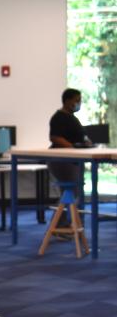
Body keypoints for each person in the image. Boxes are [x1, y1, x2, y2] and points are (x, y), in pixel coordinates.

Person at [48, 88, 90, 228]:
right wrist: (73, 148)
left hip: (72, 159)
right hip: (62, 160)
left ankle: (71, 224)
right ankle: (60, 225)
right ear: (67, 100)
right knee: (71, 193)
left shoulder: (73, 118)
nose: (79, 103)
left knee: (73, 193)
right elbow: (55, 137)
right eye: (76, 100)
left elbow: (79, 136)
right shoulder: (59, 117)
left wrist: (85, 143)